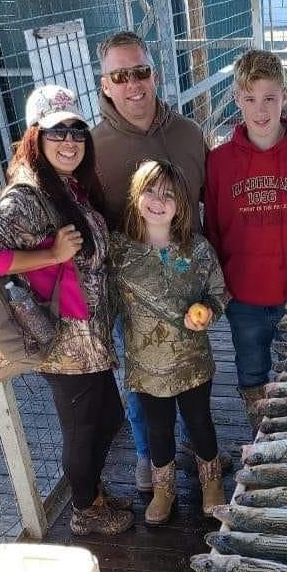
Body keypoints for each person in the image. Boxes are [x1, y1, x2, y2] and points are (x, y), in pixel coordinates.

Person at [0, 84, 133, 537]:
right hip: (64, 340)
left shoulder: (67, 186)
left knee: (110, 418)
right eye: (56, 131)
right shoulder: (25, 194)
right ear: (35, 138)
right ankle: (85, 511)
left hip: (90, 337)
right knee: (83, 430)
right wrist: (51, 255)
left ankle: (92, 492)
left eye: (77, 131)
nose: (69, 141)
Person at [92, 31, 216, 491]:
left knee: (192, 372)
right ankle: (149, 455)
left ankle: (195, 448)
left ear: (154, 74)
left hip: (185, 284)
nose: (133, 84)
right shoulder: (92, 147)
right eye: (120, 76)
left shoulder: (187, 133)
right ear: (106, 85)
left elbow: (209, 203)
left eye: (140, 71)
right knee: (143, 377)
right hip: (134, 294)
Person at [204, 49, 287, 431]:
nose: (260, 110)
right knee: (251, 374)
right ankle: (261, 441)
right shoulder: (219, 161)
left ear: (285, 98)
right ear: (236, 100)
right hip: (243, 295)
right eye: (249, 99)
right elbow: (213, 228)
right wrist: (221, 287)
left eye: (269, 98)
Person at [109, 159, 229, 525]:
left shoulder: (198, 250)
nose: (158, 201)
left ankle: (211, 482)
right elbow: (104, 300)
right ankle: (164, 489)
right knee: (157, 428)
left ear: (182, 205)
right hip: (146, 369)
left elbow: (219, 294)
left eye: (169, 196)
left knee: (199, 421)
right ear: (135, 195)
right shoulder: (119, 251)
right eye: (150, 191)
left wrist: (207, 311)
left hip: (192, 362)